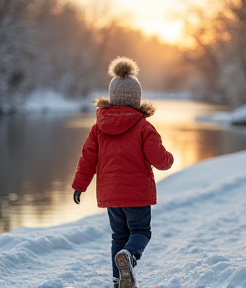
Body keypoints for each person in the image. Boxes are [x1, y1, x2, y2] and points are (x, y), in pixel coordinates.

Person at [72, 56, 174, 288]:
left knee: (118, 236)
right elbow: (159, 160)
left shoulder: (98, 127)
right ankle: (129, 256)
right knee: (140, 231)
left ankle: (119, 281)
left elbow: (87, 158)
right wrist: (169, 160)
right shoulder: (143, 127)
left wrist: (79, 185)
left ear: (111, 98)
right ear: (136, 100)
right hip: (137, 194)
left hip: (111, 196)